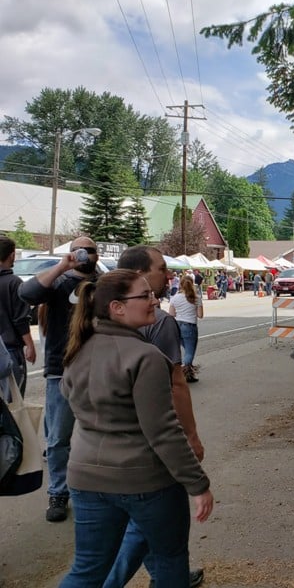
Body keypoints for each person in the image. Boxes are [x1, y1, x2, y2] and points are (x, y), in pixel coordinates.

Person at [58, 269, 213, 587]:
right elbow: (163, 431)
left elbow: (73, 405)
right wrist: (198, 484)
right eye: (144, 296)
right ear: (116, 307)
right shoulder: (145, 357)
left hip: (86, 477)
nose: (154, 300)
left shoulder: (77, 351)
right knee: (170, 559)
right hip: (145, 481)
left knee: (87, 569)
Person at [110, 246, 205, 588]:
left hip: (103, 452)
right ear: (140, 274)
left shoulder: (100, 317)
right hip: (149, 446)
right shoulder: (158, 321)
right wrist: (191, 437)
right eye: (162, 268)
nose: (168, 275)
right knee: (158, 532)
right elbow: (176, 384)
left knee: (136, 529)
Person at [18, 236, 100, 522]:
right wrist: (61, 266)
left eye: (90, 250)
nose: (84, 255)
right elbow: (26, 293)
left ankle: (99, 490)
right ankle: (59, 493)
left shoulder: (105, 283)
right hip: (60, 371)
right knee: (57, 440)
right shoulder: (58, 283)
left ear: (97, 254)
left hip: (100, 370)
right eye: (78, 251)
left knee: (102, 433)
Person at [0, 236, 36, 399]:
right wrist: (30, 345)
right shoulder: (14, 283)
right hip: (9, 350)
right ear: (12, 255)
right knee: (13, 404)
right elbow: (20, 319)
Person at [169, 274, 204, 383]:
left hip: (177, 325)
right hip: (190, 326)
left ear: (180, 285)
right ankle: (183, 373)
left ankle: (188, 373)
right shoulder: (196, 298)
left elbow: (171, 314)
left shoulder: (175, 297)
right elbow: (200, 315)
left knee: (185, 349)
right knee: (189, 352)